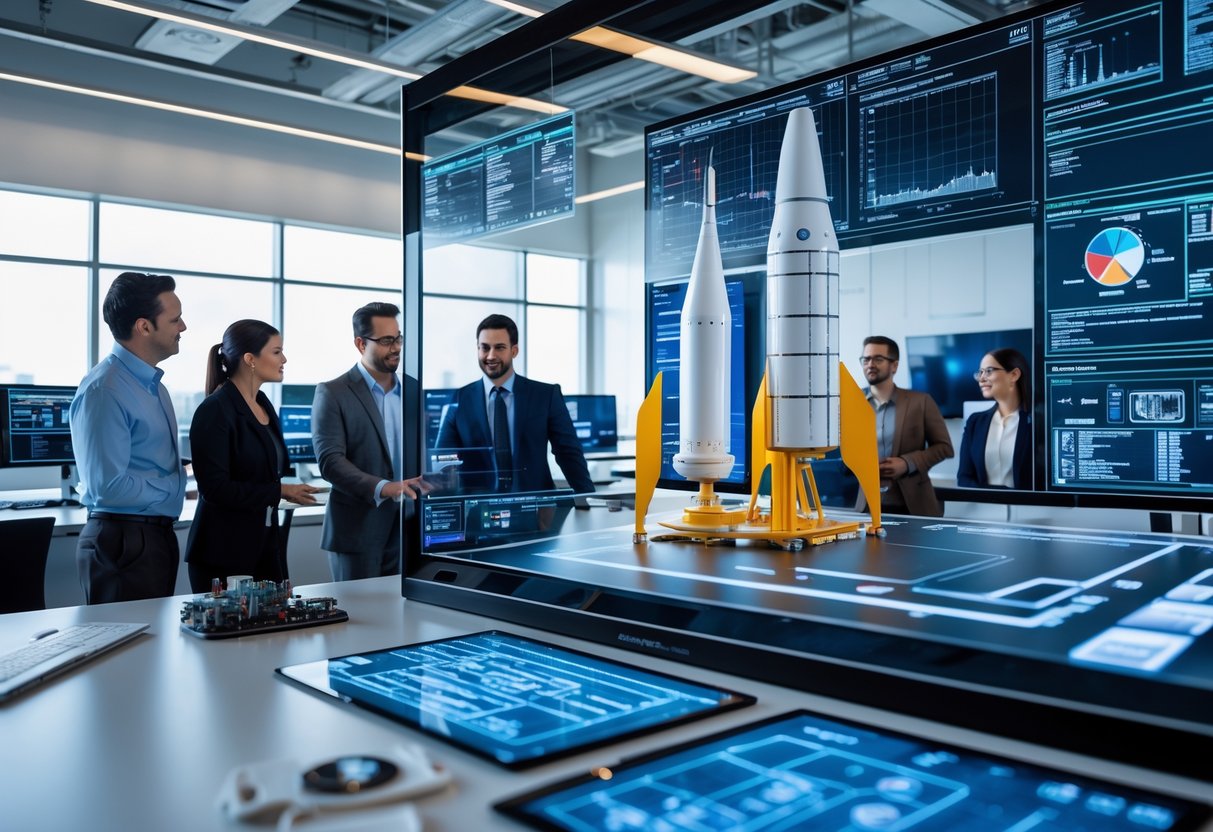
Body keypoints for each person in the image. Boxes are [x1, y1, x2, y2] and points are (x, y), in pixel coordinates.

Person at [69, 272, 188, 603]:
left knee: (152, 649)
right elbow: (107, 486)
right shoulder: (104, 390)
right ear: (144, 326)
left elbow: (141, 460)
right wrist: (175, 485)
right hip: (121, 540)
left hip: (154, 535)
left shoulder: (155, 388)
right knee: (126, 651)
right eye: (175, 319)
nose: (183, 327)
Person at [184, 320, 320, 592]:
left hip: (266, 545)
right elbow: (214, 489)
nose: (284, 359)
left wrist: (281, 490)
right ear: (250, 359)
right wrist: (279, 490)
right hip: (224, 553)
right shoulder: (215, 410)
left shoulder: (263, 405)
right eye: (276, 351)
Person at [313, 302, 427, 581]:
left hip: (410, 529)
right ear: (361, 343)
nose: (397, 347)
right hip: (357, 532)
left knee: (406, 619)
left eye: (398, 338)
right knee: (361, 619)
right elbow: (331, 462)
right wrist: (384, 488)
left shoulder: (413, 390)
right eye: (386, 340)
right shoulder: (333, 392)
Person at [436, 314, 594, 494]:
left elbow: (568, 453)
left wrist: (588, 499)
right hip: (478, 511)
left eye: (499, 348)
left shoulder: (546, 396)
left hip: (537, 509)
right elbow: (443, 462)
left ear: (514, 350)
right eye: (485, 348)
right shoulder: (459, 399)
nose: (490, 355)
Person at [860, 335, 953, 517]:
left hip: (911, 504)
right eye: (866, 359)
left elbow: (945, 448)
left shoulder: (921, 401)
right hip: (863, 504)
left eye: (878, 359)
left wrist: (907, 463)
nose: (870, 364)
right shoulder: (849, 403)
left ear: (894, 365)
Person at [957, 347, 1032, 489]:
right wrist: (992, 496)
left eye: (989, 371)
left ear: (1014, 375)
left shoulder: (1037, 422)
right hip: (984, 507)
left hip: (1027, 509)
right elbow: (964, 478)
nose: (981, 378)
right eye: (980, 372)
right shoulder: (975, 422)